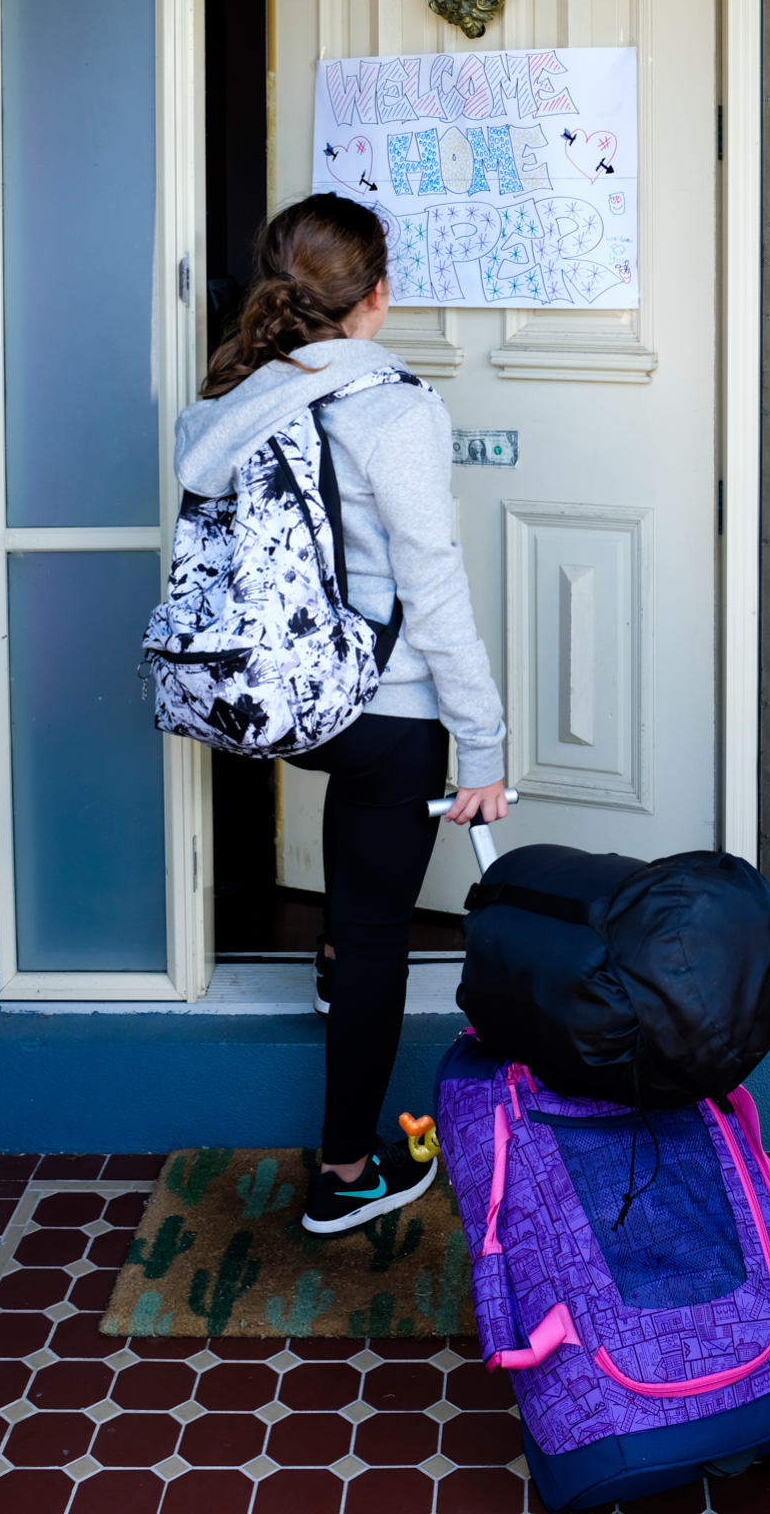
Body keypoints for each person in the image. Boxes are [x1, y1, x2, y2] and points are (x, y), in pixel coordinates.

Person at [176, 194, 509, 1235]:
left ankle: (327, 964)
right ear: (377, 293)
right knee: (377, 936)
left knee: (353, 843)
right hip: (377, 714)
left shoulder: (230, 396)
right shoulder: (394, 408)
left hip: (259, 701)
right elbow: (435, 586)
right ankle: (348, 1172)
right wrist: (485, 746)